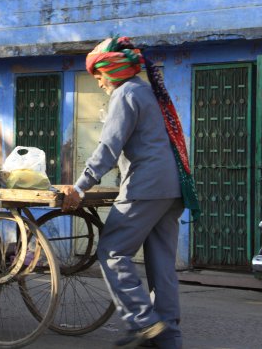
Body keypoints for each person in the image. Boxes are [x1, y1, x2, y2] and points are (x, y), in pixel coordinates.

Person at [61, 36, 200, 349]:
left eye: (97, 77)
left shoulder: (125, 94)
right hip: (172, 189)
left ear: (110, 72)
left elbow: (109, 147)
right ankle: (169, 338)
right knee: (161, 265)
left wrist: (80, 187)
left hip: (146, 187)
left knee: (112, 251)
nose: (97, 83)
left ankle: (144, 322)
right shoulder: (148, 92)